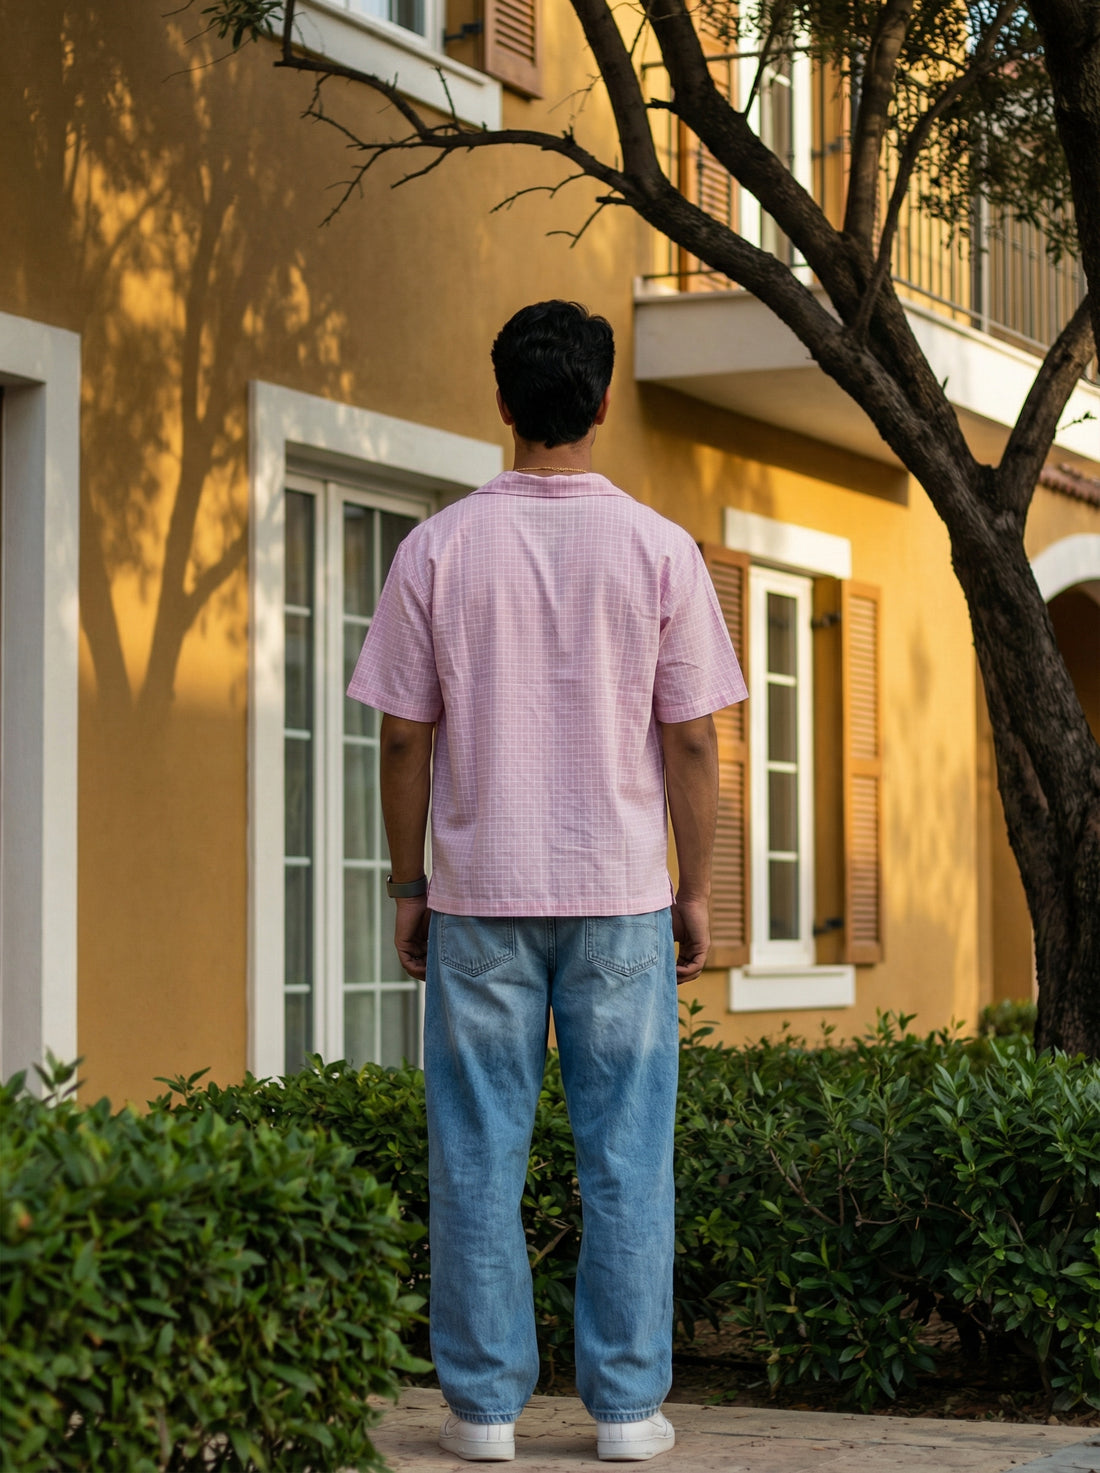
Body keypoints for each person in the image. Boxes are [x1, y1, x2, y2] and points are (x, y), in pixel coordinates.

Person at [347, 300, 746, 1463]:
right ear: (604, 401)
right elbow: (689, 743)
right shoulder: (659, 550)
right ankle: (624, 1413)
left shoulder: (436, 549)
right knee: (626, 1155)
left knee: (475, 1152)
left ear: (503, 403)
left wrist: (404, 883)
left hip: (476, 898)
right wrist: (697, 888)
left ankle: (479, 1412)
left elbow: (402, 741)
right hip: (622, 893)